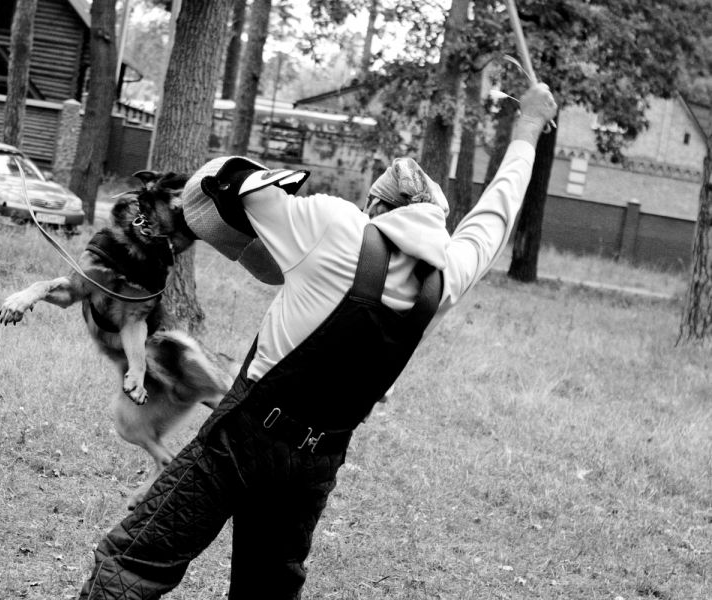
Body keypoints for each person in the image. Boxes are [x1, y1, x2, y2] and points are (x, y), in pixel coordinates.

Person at [77, 83, 558, 600]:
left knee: (131, 564)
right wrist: (528, 126)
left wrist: (251, 242)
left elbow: (214, 186)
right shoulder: (450, 276)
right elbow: (498, 209)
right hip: (316, 462)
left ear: (376, 204)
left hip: (244, 437)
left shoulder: (337, 225)